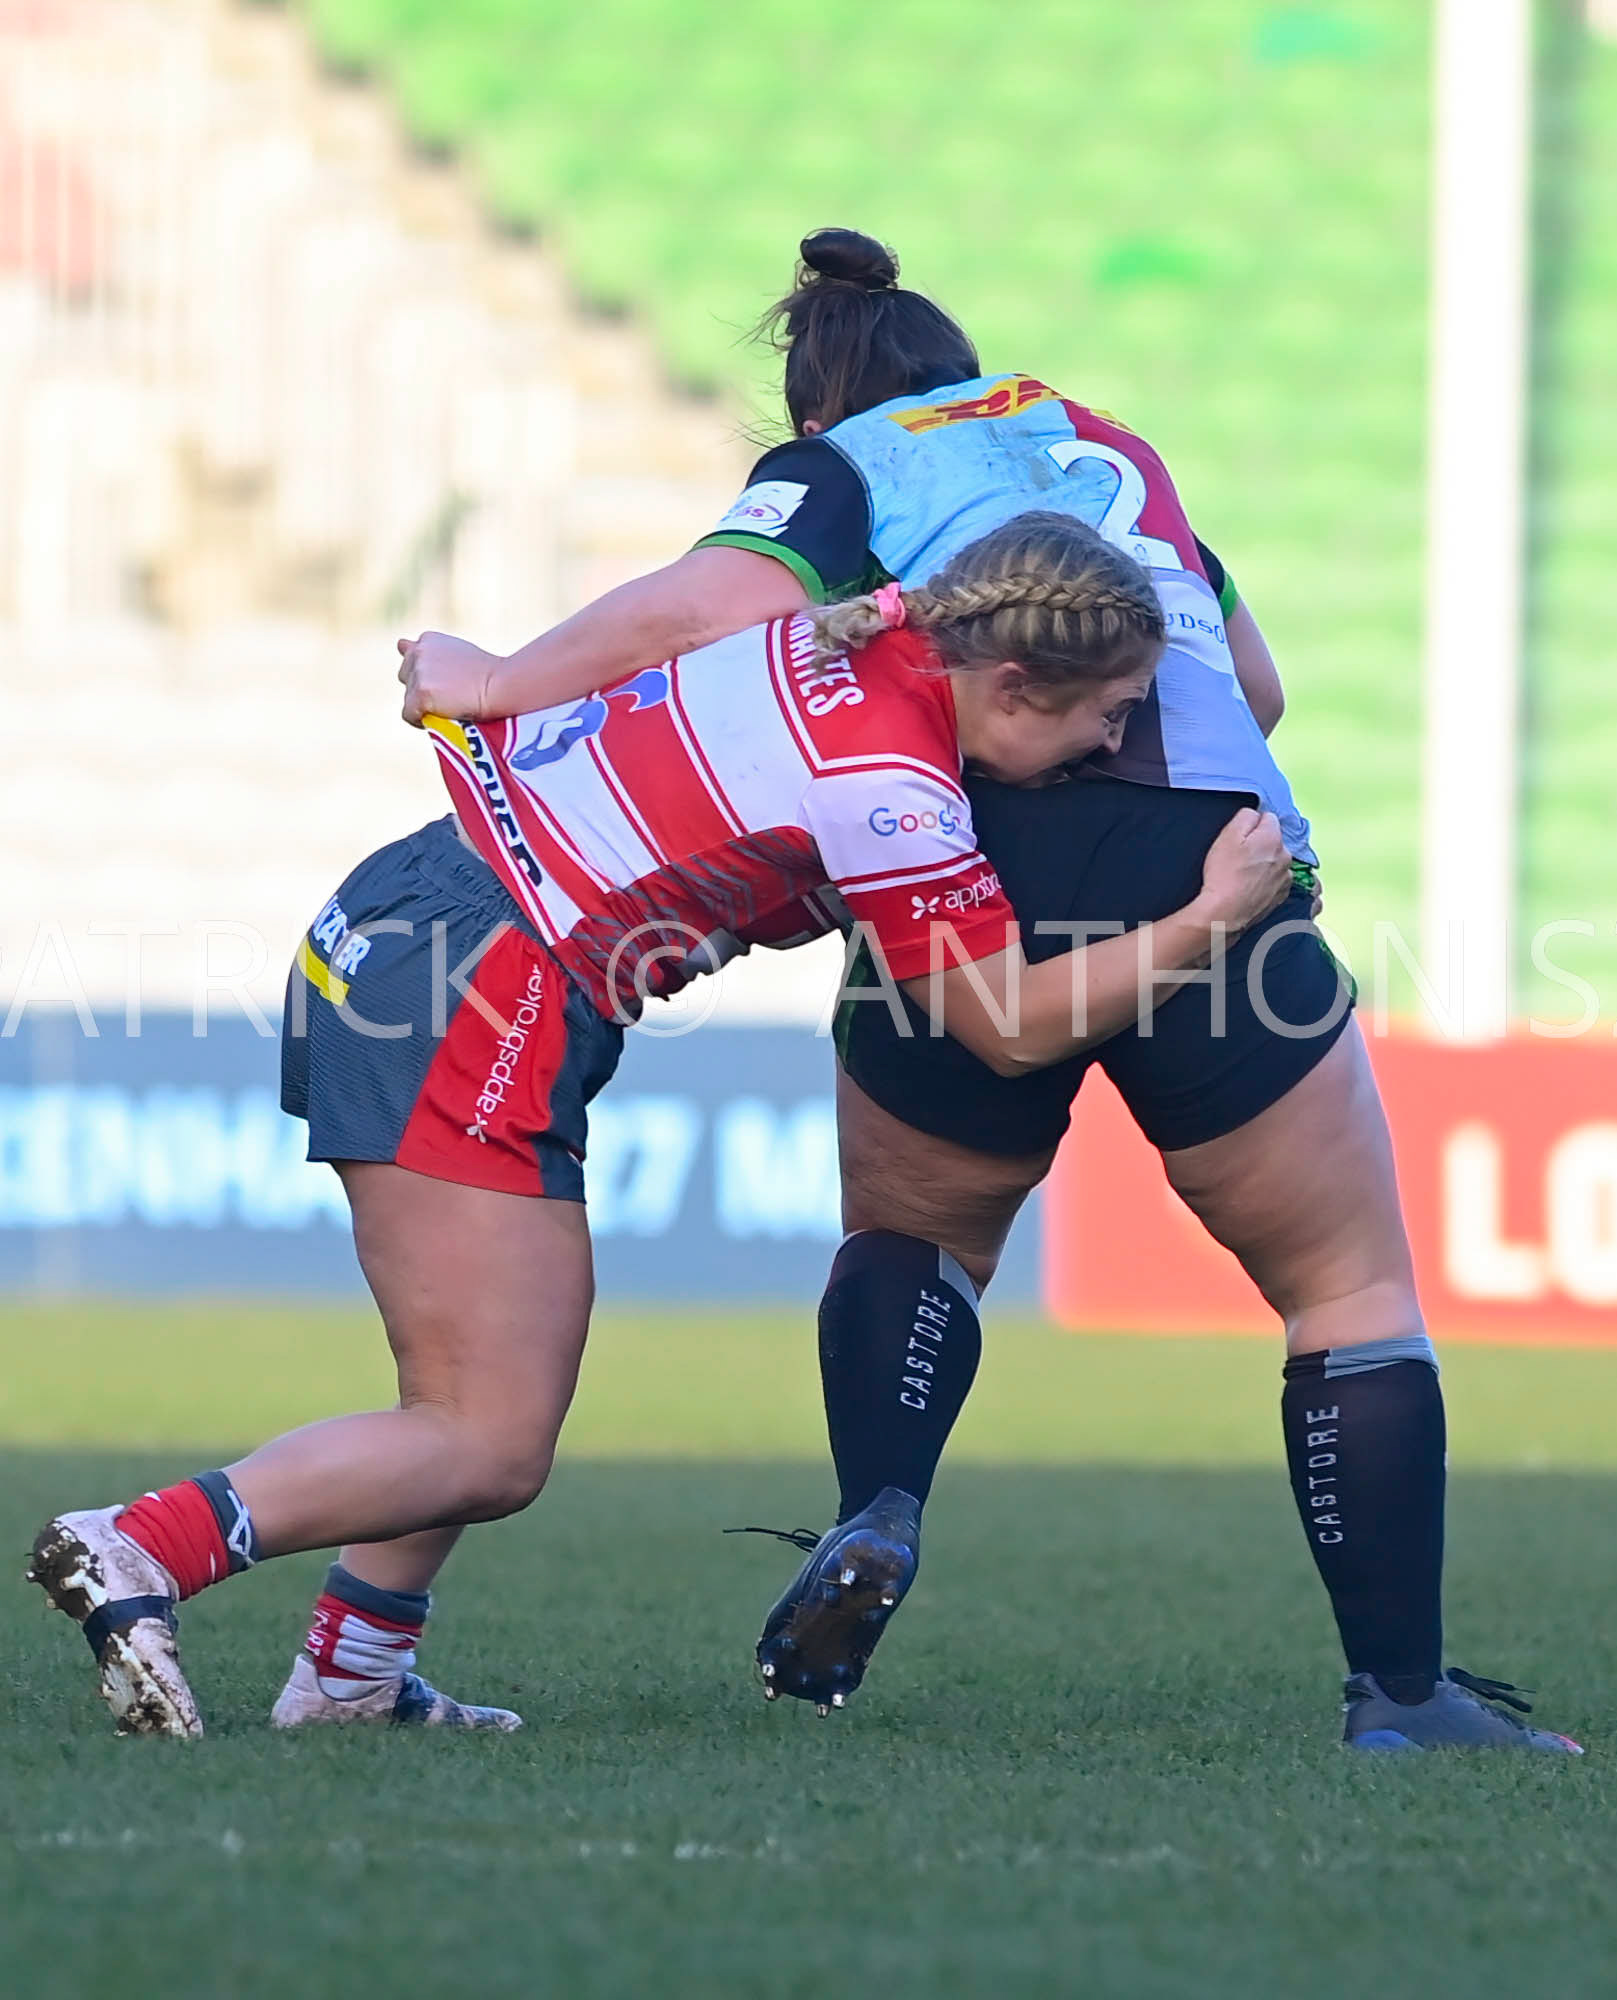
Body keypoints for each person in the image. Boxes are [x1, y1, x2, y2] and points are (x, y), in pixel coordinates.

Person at [393, 229, 1580, 1756]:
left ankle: (879, 1504)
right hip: (1205, 840)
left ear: (816, 403)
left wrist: (493, 678)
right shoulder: (1100, 444)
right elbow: (1259, 685)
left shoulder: (845, 464)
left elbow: (705, 608)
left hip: (962, 847)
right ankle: (1401, 1696)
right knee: (1345, 1290)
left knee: (914, 1238)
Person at [28, 514, 1295, 1739]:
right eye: (1109, 715)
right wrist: (1211, 913)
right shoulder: (894, 786)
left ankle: (356, 1674)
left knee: (459, 1390)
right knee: (490, 1434)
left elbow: (668, 629)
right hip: (485, 986)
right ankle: (142, 1544)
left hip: (418, 913)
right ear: (1012, 685)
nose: (1111, 744)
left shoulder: (832, 635)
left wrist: (482, 675)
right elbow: (1008, 1024)